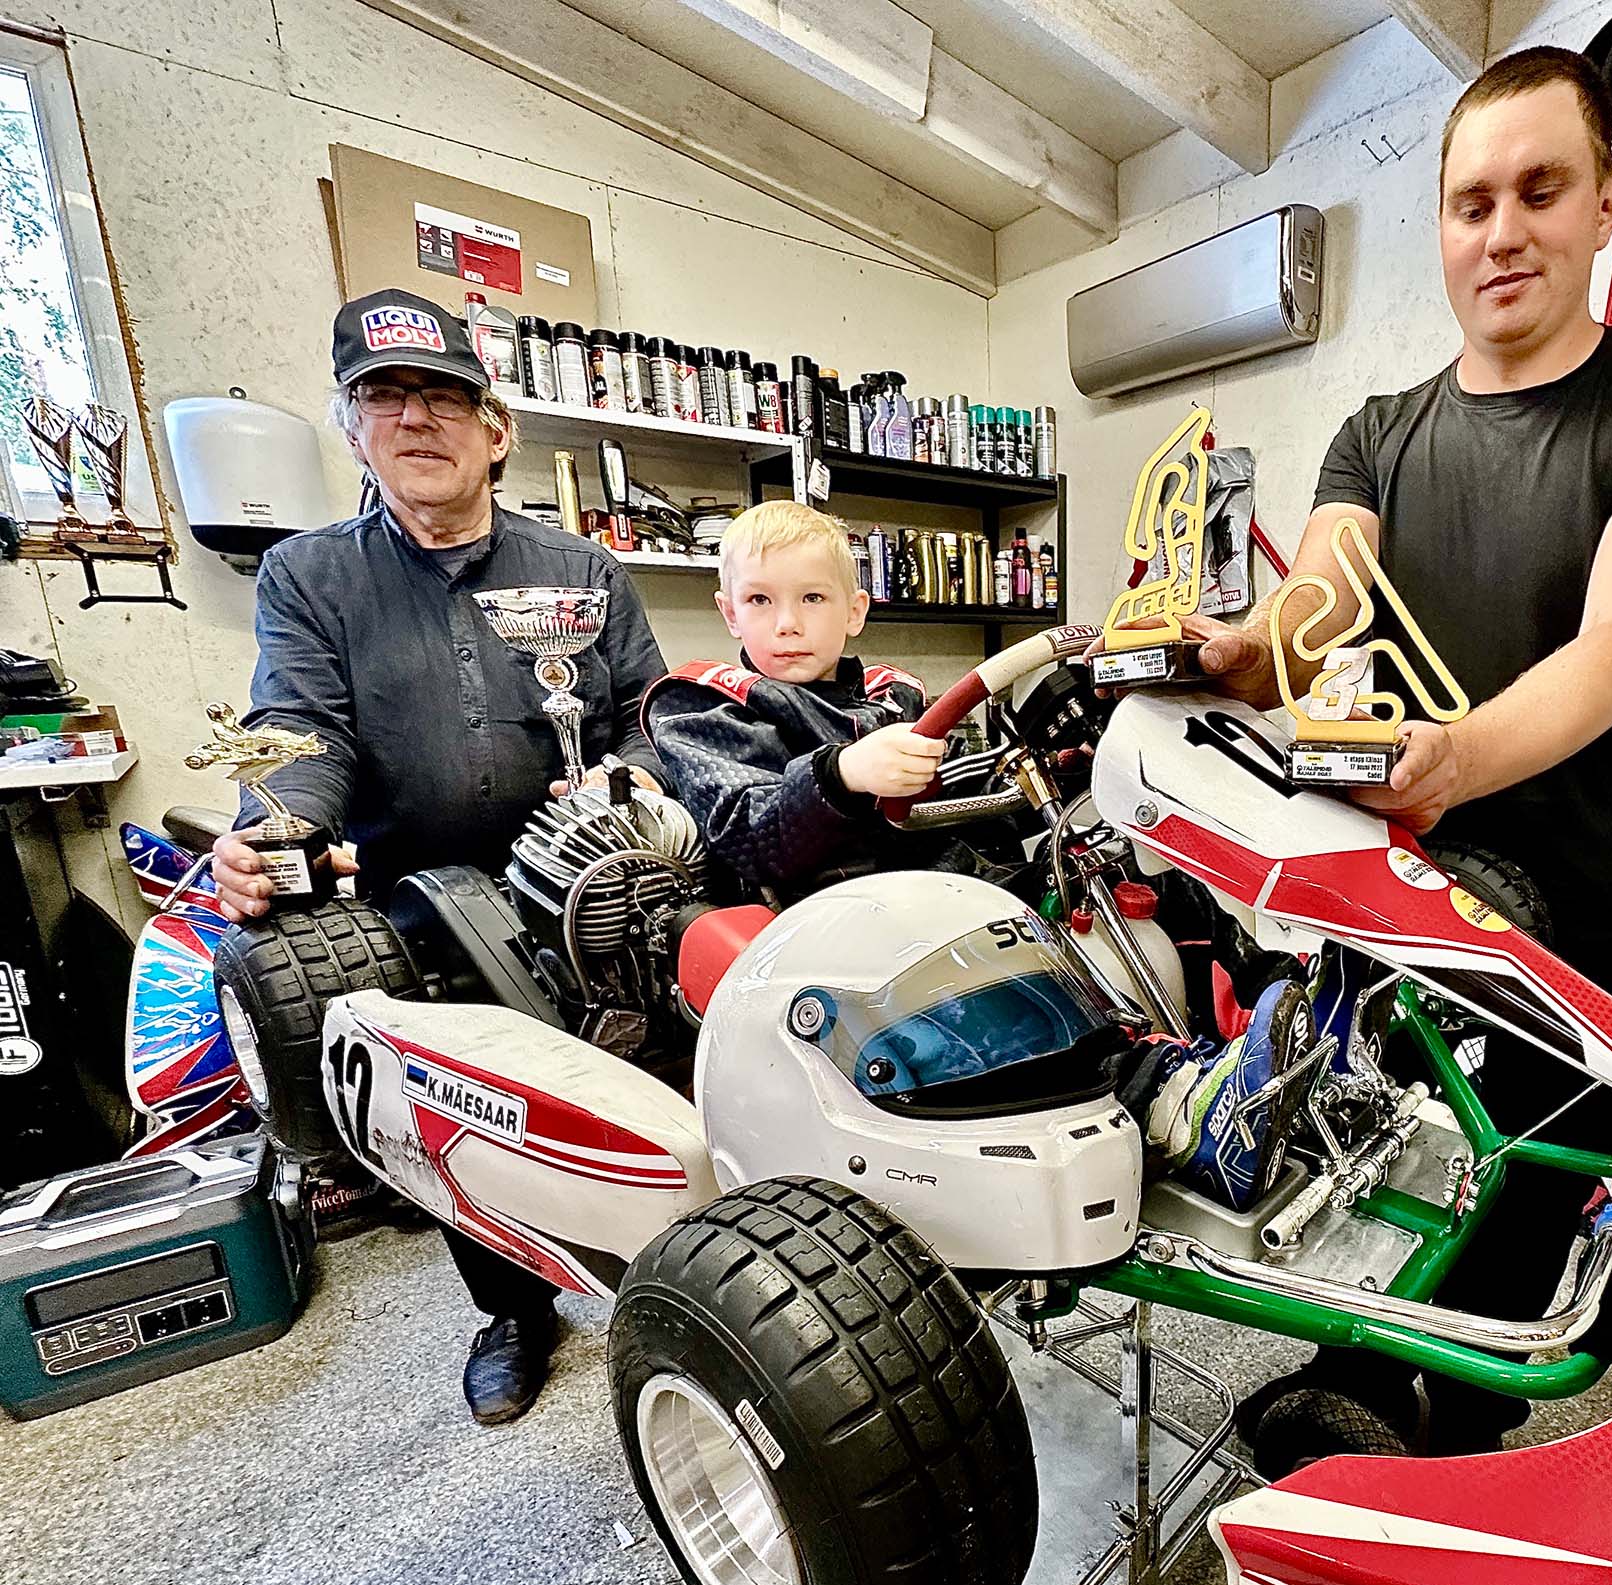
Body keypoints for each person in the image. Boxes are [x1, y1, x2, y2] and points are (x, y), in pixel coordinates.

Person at [1138, 47, 1612, 1454]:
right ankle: (1358, 1402)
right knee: (1375, 1165)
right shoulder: (1380, 432)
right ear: (1442, 226)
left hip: (1583, 902)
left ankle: (1460, 1443)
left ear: (1607, 205)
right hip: (1397, 890)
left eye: (1543, 189)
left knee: (1534, 1205)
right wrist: (1245, 652)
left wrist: (1458, 758)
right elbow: (1324, 603)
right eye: (1472, 200)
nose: (1503, 229)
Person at [209, 287, 669, 1425]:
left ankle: (665, 1284)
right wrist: (275, 827)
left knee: (636, 1092)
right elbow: (301, 728)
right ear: (351, 424)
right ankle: (514, 1310)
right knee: (463, 1122)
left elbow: (652, 715)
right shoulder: (309, 576)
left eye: (444, 396)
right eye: (385, 395)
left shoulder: (583, 570)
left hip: (592, 888)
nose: (418, 418)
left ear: (495, 428)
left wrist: (638, 779)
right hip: (415, 905)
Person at [645, 499, 1312, 1208]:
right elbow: (747, 831)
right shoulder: (707, 708)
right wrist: (840, 774)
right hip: (835, 933)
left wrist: (1056, 766)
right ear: (728, 613)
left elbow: (964, 795)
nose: (786, 622)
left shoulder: (889, 695)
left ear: (854, 611)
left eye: (812, 598)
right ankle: (1173, 1106)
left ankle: (1277, 1028)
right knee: (1007, 975)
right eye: (760, 600)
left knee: (1126, 875)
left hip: (951, 886)